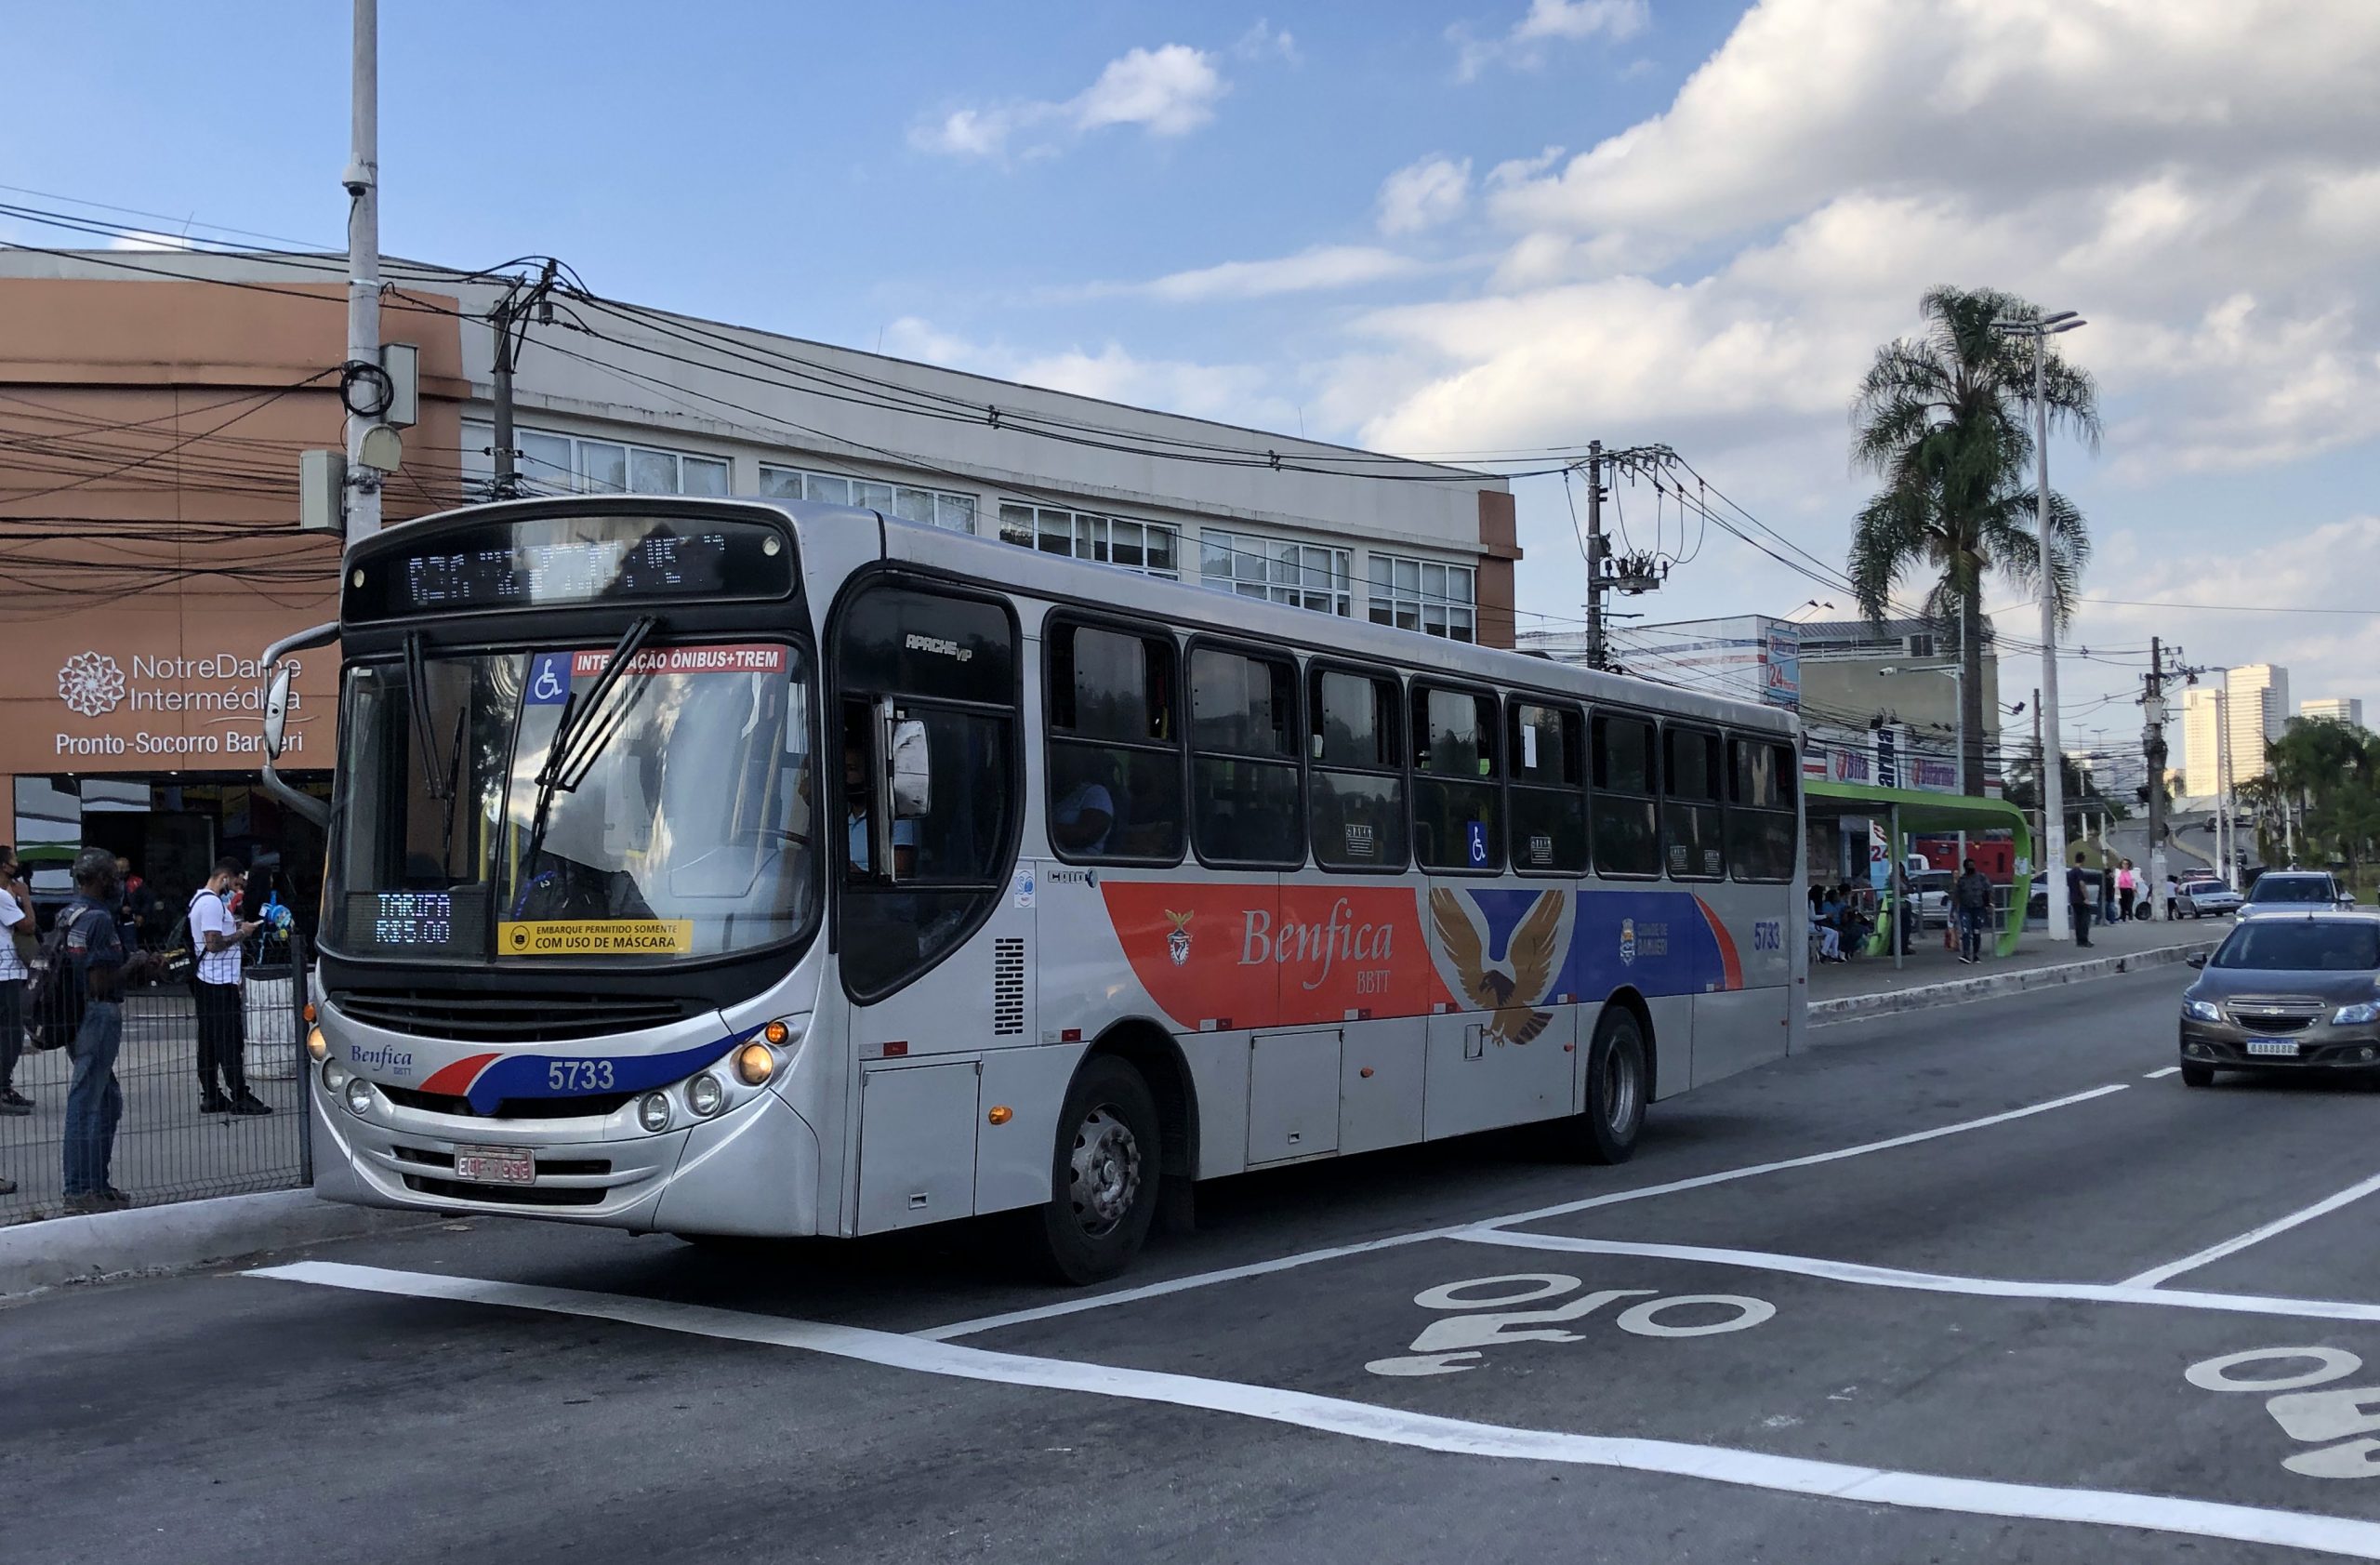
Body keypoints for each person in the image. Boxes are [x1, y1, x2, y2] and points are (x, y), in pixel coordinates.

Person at [60, 847, 162, 1213]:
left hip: (73, 1014)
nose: (118, 883)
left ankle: (96, 1185)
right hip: (97, 1014)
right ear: (102, 880)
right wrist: (134, 962)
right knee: (88, 1100)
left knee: (106, 1099)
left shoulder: (70, 914)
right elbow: (100, 982)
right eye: (114, 877)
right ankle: (79, 1190)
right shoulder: (101, 920)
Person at [190, 857, 268, 1116]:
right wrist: (242, 932)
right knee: (229, 1040)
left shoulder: (198, 899)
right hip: (218, 981)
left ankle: (211, 1093)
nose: (238, 888)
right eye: (235, 882)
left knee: (209, 1040)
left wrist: (234, 926)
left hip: (206, 980)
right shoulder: (212, 902)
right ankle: (239, 1094)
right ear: (224, 876)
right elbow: (213, 944)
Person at [844, 731, 917, 878]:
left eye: (851, 769)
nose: (844, 777)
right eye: (841, 770)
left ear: (870, 773)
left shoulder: (896, 815)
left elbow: (902, 871)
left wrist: (861, 876)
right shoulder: (835, 818)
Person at [0, 847, 31, 1115]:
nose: (17, 865)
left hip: (9, 969)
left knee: (9, 1032)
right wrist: (26, 898)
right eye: (13, 861)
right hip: (6, 972)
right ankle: (2, 1087)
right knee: (11, 1033)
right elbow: (28, 926)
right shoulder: (2, 896)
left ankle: (5, 1086)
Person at [1954, 857, 1994, 965]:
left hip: (1979, 909)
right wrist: (1954, 910)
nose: (1971, 867)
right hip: (1965, 908)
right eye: (1969, 865)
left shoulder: (1981, 878)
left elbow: (1988, 890)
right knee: (1966, 931)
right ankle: (1966, 954)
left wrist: (1989, 905)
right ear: (1965, 867)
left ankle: (1976, 954)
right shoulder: (1962, 880)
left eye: (1973, 865)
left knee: (1976, 932)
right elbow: (1957, 895)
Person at [2069, 851, 2095, 948]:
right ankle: (2084, 940)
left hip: (2073, 898)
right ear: (2083, 860)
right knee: (2084, 920)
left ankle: (2079, 940)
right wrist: (2086, 897)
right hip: (2081, 899)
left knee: (2077, 920)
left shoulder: (2071, 872)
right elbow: (2082, 884)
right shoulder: (2079, 872)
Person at [2115, 858, 2138, 922]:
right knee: (2122, 904)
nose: (2125, 865)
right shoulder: (2119, 872)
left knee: (2129, 904)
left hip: (2129, 890)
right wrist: (2117, 890)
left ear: (2129, 865)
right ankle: (2123, 917)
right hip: (2121, 889)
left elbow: (2133, 881)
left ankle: (2130, 917)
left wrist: (2134, 888)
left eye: (2126, 864)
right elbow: (2117, 881)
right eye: (2124, 864)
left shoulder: (2131, 872)